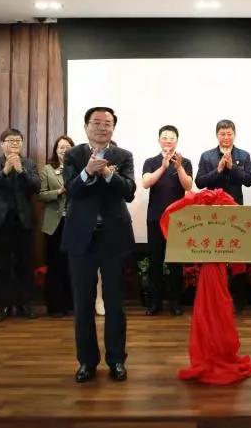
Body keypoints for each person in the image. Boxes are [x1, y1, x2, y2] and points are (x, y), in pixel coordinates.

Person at [62, 106, 135, 383]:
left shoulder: (123, 155)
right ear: (86, 127)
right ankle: (86, 362)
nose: (102, 127)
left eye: (108, 124)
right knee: (83, 303)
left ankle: (116, 360)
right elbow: (72, 190)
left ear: (113, 128)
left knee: (115, 302)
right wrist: (87, 172)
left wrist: (108, 175)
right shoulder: (74, 155)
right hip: (82, 236)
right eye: (97, 123)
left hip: (114, 236)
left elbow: (129, 191)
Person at [195, 119, 251, 312]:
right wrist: (219, 169)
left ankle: (238, 300)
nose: (226, 137)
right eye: (222, 134)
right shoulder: (207, 156)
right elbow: (199, 182)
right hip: (213, 212)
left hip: (235, 211)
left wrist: (232, 168)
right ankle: (214, 298)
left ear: (234, 135)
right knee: (214, 256)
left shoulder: (243, 155)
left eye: (229, 134)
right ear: (217, 135)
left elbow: (249, 180)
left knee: (237, 256)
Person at [0, 129, 41, 322]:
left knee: (25, 265)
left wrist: (21, 170)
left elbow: (36, 187)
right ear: (2, 144)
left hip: (24, 223)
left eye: (18, 140)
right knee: (2, 266)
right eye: (10, 140)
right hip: (0, 223)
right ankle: (4, 306)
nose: (15, 143)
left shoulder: (29, 164)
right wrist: (6, 171)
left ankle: (24, 304)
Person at [141, 125, 193, 316]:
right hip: (155, 218)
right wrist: (163, 167)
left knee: (175, 263)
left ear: (176, 141)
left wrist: (178, 168)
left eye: (172, 138)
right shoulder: (150, 162)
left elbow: (188, 186)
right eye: (165, 137)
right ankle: (154, 303)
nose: (168, 140)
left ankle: (175, 302)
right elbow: (146, 183)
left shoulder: (184, 162)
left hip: (177, 220)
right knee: (155, 261)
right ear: (159, 140)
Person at [39, 135, 75, 317]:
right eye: (61, 147)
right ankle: (55, 306)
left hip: (73, 222)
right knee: (55, 265)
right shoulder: (47, 169)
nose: (64, 150)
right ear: (55, 150)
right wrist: (59, 191)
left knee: (72, 265)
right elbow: (41, 195)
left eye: (68, 147)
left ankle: (71, 304)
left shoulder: (78, 169)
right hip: (54, 224)